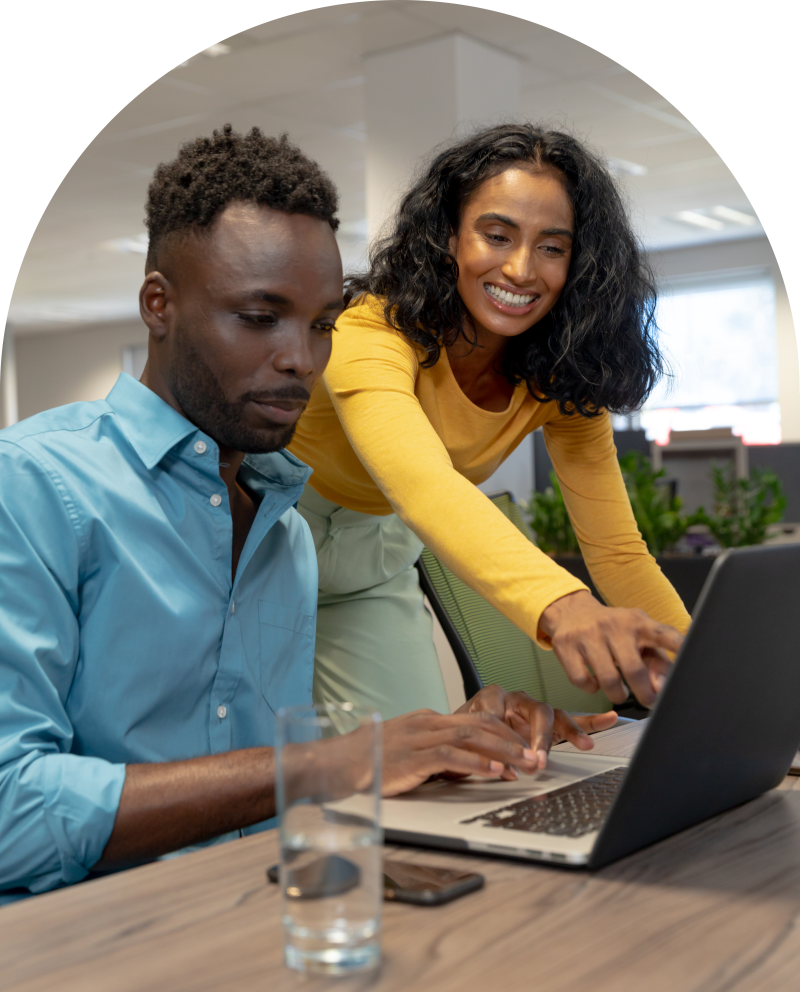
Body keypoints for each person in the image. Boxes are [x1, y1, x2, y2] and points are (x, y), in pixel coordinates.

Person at [0, 126, 612, 901]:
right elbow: (8, 816)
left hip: (265, 910)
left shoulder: (282, 531)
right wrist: (329, 762)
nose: (302, 359)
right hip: (91, 942)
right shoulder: (31, 488)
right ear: (160, 304)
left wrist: (450, 735)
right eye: (260, 317)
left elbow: (276, 774)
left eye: (322, 323)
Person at [287, 123, 689, 721]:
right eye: (497, 235)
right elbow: (424, 484)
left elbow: (618, 550)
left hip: (373, 559)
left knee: (411, 764)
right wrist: (565, 605)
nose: (523, 269)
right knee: (265, 765)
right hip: (266, 535)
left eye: (553, 247)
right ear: (449, 236)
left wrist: (703, 669)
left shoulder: (560, 378)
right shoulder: (372, 330)